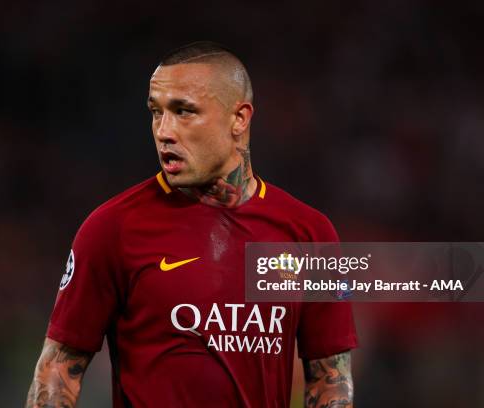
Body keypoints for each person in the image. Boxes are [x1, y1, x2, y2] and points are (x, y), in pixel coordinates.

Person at [25, 41, 357, 408]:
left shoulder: (312, 235)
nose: (164, 131)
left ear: (240, 118)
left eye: (184, 111)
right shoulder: (110, 229)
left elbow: (331, 382)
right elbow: (56, 372)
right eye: (156, 112)